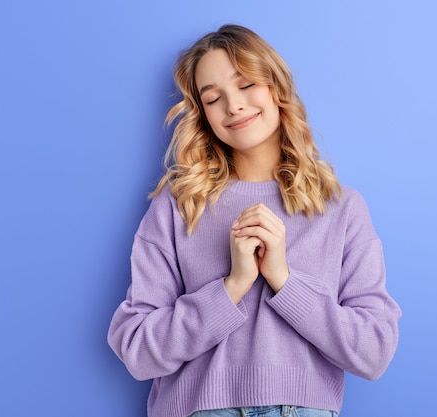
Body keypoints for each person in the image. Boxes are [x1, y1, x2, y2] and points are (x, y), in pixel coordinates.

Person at [108, 24, 401, 417]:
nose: (234, 106)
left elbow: (374, 351)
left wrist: (283, 280)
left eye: (246, 84)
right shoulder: (178, 206)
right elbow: (137, 349)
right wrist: (232, 287)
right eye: (213, 98)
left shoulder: (341, 207)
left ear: (276, 87)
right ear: (203, 114)